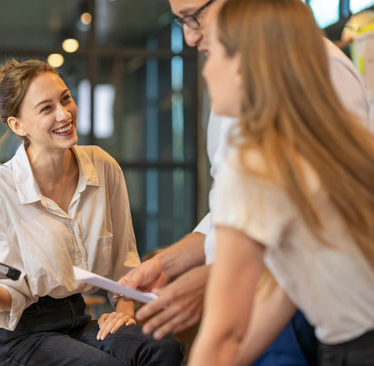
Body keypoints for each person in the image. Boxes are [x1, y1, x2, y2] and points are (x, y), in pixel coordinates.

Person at [120, 0, 372, 364]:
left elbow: (228, 331)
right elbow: (284, 277)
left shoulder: (257, 156)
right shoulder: (308, 139)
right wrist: (172, 265)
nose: (203, 67)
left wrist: (217, 286)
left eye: (214, 54)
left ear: (247, 63)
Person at [0, 59, 182, 366]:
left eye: (65, 99)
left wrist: (123, 312)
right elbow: (9, 293)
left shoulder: (102, 167)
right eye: (46, 108)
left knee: (162, 347)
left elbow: (123, 263)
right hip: (21, 336)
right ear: (17, 125)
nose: (64, 114)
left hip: (76, 320)